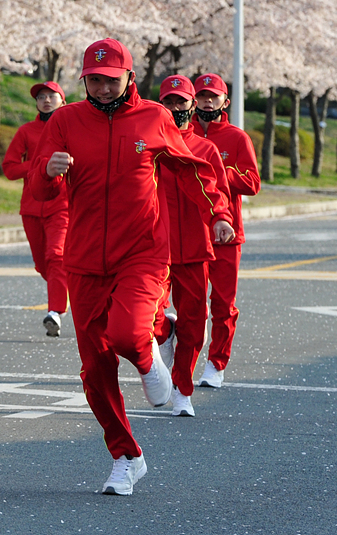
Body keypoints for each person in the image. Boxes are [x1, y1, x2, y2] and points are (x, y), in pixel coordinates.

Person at [31, 40, 231, 496]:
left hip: (141, 252)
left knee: (126, 334)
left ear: (129, 77)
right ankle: (126, 456)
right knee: (95, 369)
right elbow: (40, 193)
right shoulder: (65, 120)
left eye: (110, 79)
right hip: (83, 259)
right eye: (94, 80)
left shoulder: (154, 118)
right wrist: (48, 170)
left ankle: (146, 358)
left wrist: (217, 214)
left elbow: (191, 168)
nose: (102, 88)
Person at [153, 75, 234, 418]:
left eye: (181, 102)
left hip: (196, 249)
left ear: (192, 106)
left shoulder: (206, 149)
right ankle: (162, 332)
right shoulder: (149, 145)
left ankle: (182, 389)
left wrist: (221, 218)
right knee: (147, 318)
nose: (175, 108)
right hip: (153, 248)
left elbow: (219, 195)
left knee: (193, 320)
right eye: (168, 102)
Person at [189, 72, 261, 390]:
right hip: (188, 230)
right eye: (202, 96)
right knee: (187, 304)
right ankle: (177, 358)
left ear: (224, 102)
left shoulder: (236, 137)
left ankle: (216, 364)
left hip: (226, 234)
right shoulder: (180, 133)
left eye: (213, 97)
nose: (207, 102)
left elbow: (253, 183)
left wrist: (221, 173)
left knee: (221, 303)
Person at [2, 79, 70, 337]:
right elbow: (9, 168)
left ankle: (55, 312)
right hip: (31, 207)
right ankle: (65, 291)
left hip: (61, 205)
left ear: (62, 100)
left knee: (56, 256)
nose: (45, 100)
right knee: (43, 264)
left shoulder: (71, 128)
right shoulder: (26, 131)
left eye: (51, 95)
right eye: (40, 96)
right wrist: (39, 167)